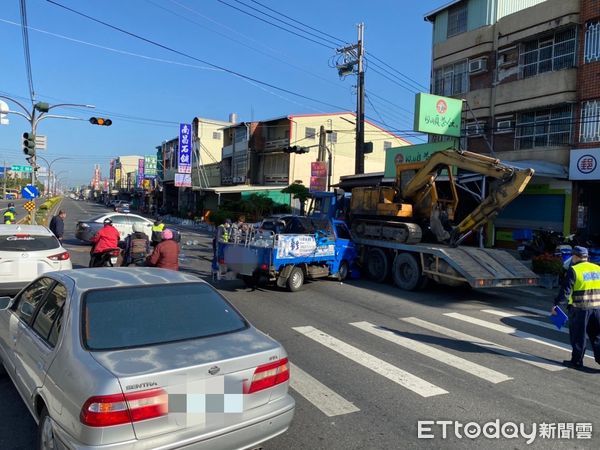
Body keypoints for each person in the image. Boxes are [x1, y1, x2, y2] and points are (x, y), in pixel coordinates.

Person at [552, 246, 600, 369]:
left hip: (580, 310)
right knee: (597, 336)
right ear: (586, 256)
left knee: (579, 336)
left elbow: (565, 292)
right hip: (598, 309)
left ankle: (576, 362)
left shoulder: (574, 270)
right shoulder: (597, 268)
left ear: (575, 256)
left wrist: (556, 305)